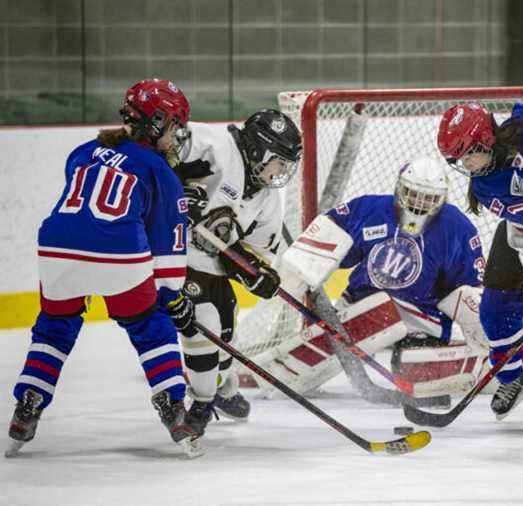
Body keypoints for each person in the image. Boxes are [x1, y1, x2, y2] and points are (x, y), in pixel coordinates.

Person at [7, 79, 203, 458]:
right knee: (150, 324)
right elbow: (165, 242)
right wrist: (173, 296)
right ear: (157, 120)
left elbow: (80, 210)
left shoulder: (83, 151)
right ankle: (173, 406)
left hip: (55, 249)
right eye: (174, 124)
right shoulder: (158, 169)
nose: (176, 134)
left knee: (55, 324)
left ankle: (29, 402)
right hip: (117, 256)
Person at [271, 155, 488, 397]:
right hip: (363, 306)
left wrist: (483, 333)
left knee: (413, 369)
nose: (419, 203)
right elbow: (329, 231)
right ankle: (287, 369)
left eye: (429, 198)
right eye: (413, 193)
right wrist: (300, 268)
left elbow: (471, 287)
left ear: (441, 199)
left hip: (422, 316)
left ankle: (485, 367)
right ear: (399, 188)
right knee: (376, 311)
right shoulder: (369, 209)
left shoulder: (456, 226)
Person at [437, 98, 523, 432]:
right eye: (458, 159)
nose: (466, 165)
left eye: (469, 154)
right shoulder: (484, 187)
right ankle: (510, 376)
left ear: (486, 137)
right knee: (494, 308)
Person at [170, 110, 302, 435]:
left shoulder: (268, 200)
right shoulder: (216, 145)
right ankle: (201, 403)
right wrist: (179, 187)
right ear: (260, 151)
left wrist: (251, 269)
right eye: (280, 162)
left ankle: (222, 387)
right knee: (205, 325)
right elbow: (162, 146)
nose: (283, 171)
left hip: (210, 268)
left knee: (227, 335)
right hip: (172, 256)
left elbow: (256, 254)